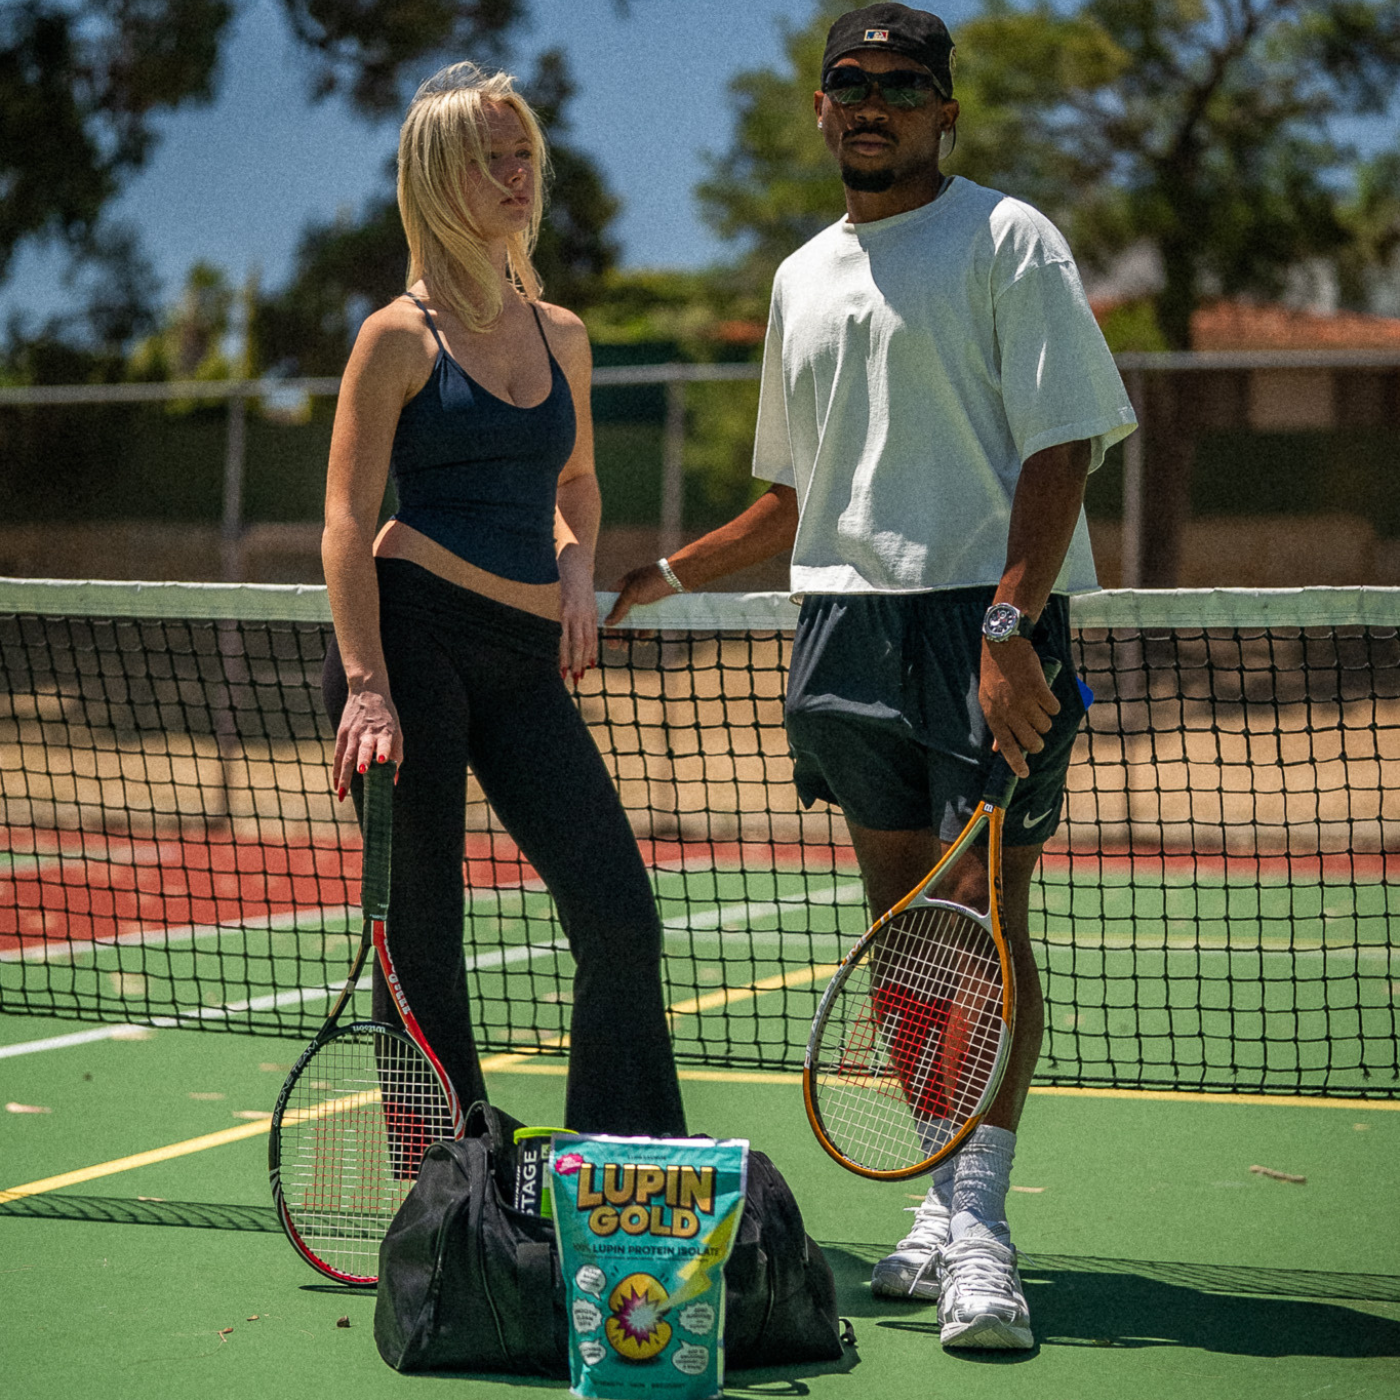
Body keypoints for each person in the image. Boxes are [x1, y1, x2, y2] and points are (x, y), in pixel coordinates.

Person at [608, 3, 1134, 1350]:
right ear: (822, 107)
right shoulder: (799, 277)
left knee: (982, 918)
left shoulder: (1009, 238)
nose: (873, 103)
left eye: (902, 85)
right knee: (902, 930)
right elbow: (797, 496)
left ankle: (982, 1229)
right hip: (842, 626)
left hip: (983, 621)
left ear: (943, 110)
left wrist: (1011, 624)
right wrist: (659, 575)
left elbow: (1062, 446)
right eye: (851, 82)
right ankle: (937, 1198)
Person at [321, 61, 686, 1141]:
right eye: (490, 158)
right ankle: (444, 1178)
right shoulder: (395, 338)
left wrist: (577, 564)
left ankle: (623, 1166)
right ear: (439, 177)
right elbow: (344, 522)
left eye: (524, 153)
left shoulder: (560, 331)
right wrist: (366, 686)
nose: (517, 174)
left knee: (619, 915)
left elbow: (576, 482)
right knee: (424, 933)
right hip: (410, 641)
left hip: (524, 658)